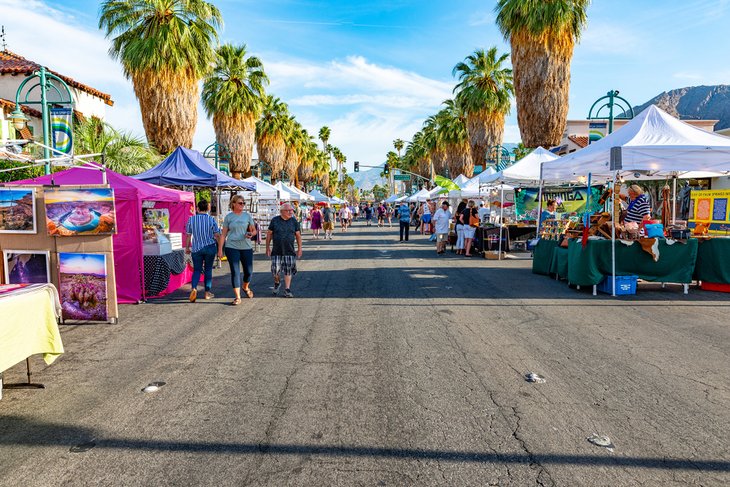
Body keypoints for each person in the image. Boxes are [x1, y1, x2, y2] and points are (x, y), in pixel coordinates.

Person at [218, 195, 257, 305]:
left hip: (246, 247)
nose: (242, 205)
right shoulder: (229, 217)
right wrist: (220, 250)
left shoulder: (247, 216)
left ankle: (245, 287)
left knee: (248, 272)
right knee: (235, 272)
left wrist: (251, 234)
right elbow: (223, 234)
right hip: (232, 247)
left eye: (243, 203)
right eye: (240, 203)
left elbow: (254, 231)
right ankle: (237, 297)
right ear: (233, 204)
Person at [185, 199, 221, 302]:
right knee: (208, 270)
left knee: (197, 270)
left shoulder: (191, 220)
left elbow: (188, 235)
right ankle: (207, 293)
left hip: (196, 248)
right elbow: (217, 235)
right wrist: (220, 249)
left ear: (197, 208)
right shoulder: (211, 220)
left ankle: (194, 288)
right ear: (208, 208)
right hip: (210, 247)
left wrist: (187, 248)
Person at [266, 203, 303, 298]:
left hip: (289, 250)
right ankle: (277, 282)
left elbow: (298, 236)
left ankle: (287, 289)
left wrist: (299, 249)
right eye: (288, 210)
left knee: (288, 270)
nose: (291, 212)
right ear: (282, 211)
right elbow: (269, 234)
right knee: (275, 271)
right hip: (276, 250)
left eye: (292, 210)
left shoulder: (294, 221)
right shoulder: (275, 220)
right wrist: (267, 247)